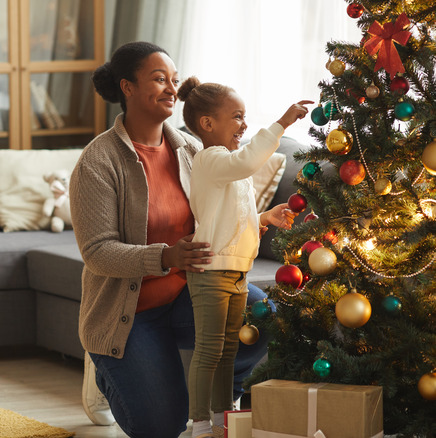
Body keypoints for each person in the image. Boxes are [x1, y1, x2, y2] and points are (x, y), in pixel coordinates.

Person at [70, 41, 272, 438]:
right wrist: (166, 257)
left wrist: (257, 220)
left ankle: (221, 401)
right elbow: (97, 252)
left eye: (174, 80)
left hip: (191, 292)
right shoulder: (99, 161)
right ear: (127, 88)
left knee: (264, 319)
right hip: (130, 315)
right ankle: (104, 372)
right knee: (161, 427)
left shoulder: (191, 148)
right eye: (159, 79)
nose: (171, 89)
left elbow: (225, 206)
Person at [176, 77, 310, 437]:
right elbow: (248, 162)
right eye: (236, 117)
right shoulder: (210, 160)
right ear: (207, 124)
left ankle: (223, 417)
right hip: (211, 273)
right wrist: (282, 123)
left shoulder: (230, 168)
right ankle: (199, 422)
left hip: (236, 272)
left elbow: (235, 212)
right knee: (209, 349)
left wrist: (265, 217)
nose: (245, 125)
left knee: (229, 350)